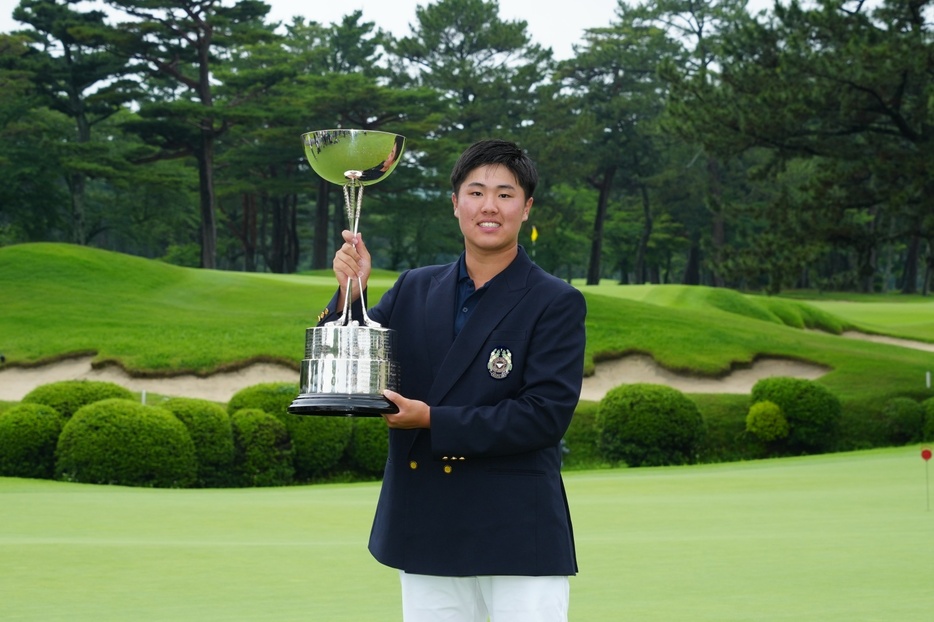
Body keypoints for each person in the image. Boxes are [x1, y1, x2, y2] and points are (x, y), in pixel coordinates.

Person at [322, 139, 587, 621]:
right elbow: (353, 367)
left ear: (526, 208)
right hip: (427, 523)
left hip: (517, 528)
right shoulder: (413, 287)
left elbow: (544, 417)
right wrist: (349, 296)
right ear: (455, 204)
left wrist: (431, 421)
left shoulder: (555, 301)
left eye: (506, 195)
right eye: (476, 192)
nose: (490, 206)